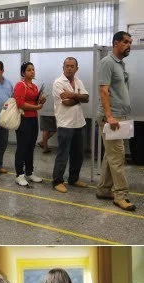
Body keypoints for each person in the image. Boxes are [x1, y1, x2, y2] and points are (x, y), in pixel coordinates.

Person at [97, 31, 135, 211]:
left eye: (130, 42)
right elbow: (103, 91)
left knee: (110, 155)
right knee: (118, 156)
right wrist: (109, 116)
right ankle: (120, 195)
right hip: (111, 117)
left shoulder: (120, 64)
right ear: (116, 43)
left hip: (120, 116)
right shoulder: (107, 62)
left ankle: (104, 190)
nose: (129, 45)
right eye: (126, 42)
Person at [51, 57, 90, 193]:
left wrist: (73, 95)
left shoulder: (79, 81)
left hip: (79, 123)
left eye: (72, 66)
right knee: (63, 154)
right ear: (63, 68)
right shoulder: (58, 82)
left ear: (76, 68)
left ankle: (73, 179)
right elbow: (67, 102)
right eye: (67, 66)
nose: (69, 68)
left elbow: (87, 98)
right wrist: (79, 98)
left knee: (78, 154)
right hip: (65, 124)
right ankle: (57, 181)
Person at [13, 62, 46, 187]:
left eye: (33, 69)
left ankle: (29, 172)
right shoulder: (20, 85)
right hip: (23, 120)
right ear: (23, 73)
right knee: (22, 147)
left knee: (31, 147)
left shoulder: (34, 86)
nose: (32, 72)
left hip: (33, 119)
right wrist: (36, 106)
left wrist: (41, 101)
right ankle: (19, 175)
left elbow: (35, 102)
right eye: (28, 70)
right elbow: (20, 103)